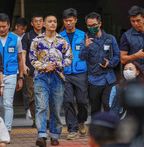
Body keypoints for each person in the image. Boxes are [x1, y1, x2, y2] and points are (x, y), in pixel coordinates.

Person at [30, 13, 73, 146]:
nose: (53, 24)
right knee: (41, 106)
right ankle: (41, 135)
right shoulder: (37, 40)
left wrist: (58, 64)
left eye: (55, 21)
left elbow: (69, 58)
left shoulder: (62, 41)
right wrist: (44, 66)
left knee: (55, 107)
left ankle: (54, 135)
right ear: (44, 24)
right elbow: (32, 59)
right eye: (50, 21)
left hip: (57, 77)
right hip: (41, 77)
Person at [0, 13, 23, 132]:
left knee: (8, 103)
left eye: (4, 26)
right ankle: (1, 127)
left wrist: (21, 77)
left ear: (9, 25)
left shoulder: (16, 39)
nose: (1, 29)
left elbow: (20, 59)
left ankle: (7, 129)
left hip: (11, 75)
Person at [79, 12, 120, 116]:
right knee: (95, 108)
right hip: (94, 80)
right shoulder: (86, 40)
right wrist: (86, 47)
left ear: (100, 23)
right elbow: (82, 57)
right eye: (89, 26)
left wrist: (109, 63)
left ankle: (110, 130)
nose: (92, 27)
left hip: (109, 79)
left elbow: (117, 56)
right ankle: (97, 130)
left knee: (108, 105)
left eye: (94, 25)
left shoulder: (110, 38)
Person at [59, 8, 88, 139]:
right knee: (68, 101)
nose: (68, 23)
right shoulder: (59, 37)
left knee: (82, 101)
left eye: (70, 20)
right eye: (66, 21)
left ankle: (81, 120)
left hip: (80, 72)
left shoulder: (83, 35)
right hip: (65, 73)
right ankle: (72, 129)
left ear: (76, 20)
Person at [22, 13, 44, 127]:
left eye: (40, 20)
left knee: (46, 95)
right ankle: (36, 120)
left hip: (46, 71)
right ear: (32, 23)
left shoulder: (48, 35)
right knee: (32, 97)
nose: (38, 23)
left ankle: (46, 120)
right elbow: (23, 52)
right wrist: (24, 65)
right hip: (31, 71)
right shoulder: (27, 36)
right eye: (36, 21)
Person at [12, 17, 30, 120]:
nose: (23, 31)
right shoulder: (11, 36)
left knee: (26, 91)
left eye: (24, 29)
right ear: (16, 26)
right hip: (12, 68)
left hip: (23, 67)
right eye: (21, 29)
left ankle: (28, 110)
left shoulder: (25, 37)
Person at [120, 6, 144, 71]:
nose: (135, 24)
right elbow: (122, 59)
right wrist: (136, 55)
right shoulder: (126, 36)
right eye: (132, 21)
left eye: (138, 20)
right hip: (136, 74)